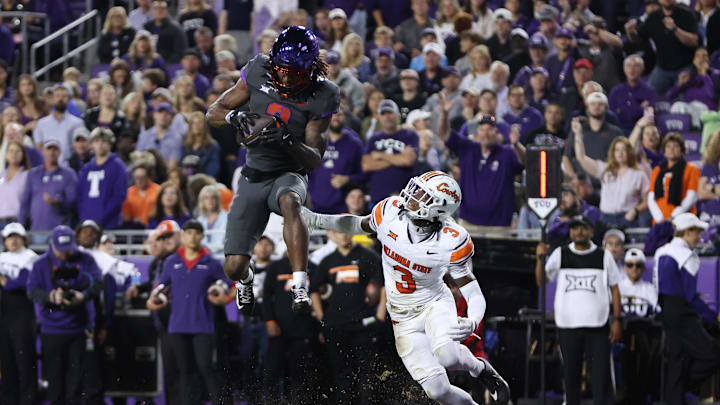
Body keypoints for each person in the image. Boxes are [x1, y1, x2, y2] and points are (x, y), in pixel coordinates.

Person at [301, 171, 511, 404]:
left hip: (434, 303)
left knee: (448, 356)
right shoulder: (390, 212)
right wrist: (316, 219)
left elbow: (472, 290)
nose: (412, 195)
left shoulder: (452, 239)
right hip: (401, 316)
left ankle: (479, 368)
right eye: (416, 188)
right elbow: (357, 224)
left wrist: (472, 321)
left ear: (439, 207)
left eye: (423, 194)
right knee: (438, 391)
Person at [206, 26, 339, 315]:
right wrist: (234, 116)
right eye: (282, 69)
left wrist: (289, 140)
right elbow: (213, 111)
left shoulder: (323, 94)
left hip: (289, 172)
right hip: (253, 174)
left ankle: (300, 285)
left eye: (296, 72)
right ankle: (247, 278)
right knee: (233, 267)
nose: (287, 76)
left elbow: (314, 160)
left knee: (290, 200)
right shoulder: (257, 69)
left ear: (311, 68)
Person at [536, 215, 622, 405]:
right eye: (574, 228)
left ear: (591, 231)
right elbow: (542, 280)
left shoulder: (603, 255)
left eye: (583, 228)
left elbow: (615, 289)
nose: (578, 231)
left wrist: (617, 320)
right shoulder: (561, 253)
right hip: (568, 325)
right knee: (570, 375)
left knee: (601, 376)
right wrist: (540, 259)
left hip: (598, 326)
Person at [147, 220, 231, 405]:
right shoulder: (172, 261)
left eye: (196, 233)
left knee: (207, 368)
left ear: (202, 236)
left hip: (202, 325)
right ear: (183, 236)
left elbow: (230, 285)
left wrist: (226, 298)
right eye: (189, 233)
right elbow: (161, 286)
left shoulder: (211, 262)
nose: (192, 237)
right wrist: (153, 299)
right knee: (184, 371)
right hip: (178, 325)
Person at [27, 225, 103, 405]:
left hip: (78, 328)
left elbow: (98, 283)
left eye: (68, 249)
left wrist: (82, 296)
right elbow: (32, 291)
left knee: (76, 380)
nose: (65, 254)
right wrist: (50, 297)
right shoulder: (40, 264)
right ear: (52, 244)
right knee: (55, 379)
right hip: (51, 329)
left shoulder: (86, 259)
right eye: (61, 250)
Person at [310, 229, 386, 404]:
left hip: (364, 325)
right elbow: (313, 290)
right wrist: (323, 320)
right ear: (331, 235)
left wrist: (380, 315)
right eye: (338, 231)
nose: (343, 234)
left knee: (367, 373)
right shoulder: (328, 261)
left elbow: (383, 285)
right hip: (336, 325)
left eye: (346, 230)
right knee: (340, 373)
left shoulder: (369, 256)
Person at [654, 213, 720, 404]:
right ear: (688, 231)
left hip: (666, 312)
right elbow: (691, 296)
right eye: (697, 233)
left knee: (675, 361)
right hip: (683, 314)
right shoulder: (688, 256)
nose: (699, 238)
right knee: (711, 356)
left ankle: (674, 397)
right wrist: (712, 317)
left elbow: (657, 287)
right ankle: (684, 388)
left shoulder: (661, 251)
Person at [438, 94, 525, 228]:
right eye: (482, 129)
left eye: (490, 129)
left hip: (499, 225)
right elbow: (444, 134)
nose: (486, 133)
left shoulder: (507, 152)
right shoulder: (467, 148)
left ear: (497, 133)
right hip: (468, 223)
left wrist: (516, 145)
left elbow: (524, 162)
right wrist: (444, 114)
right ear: (478, 132)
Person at [125, 220, 182, 405]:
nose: (157, 244)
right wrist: (140, 289)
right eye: (156, 240)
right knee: (170, 372)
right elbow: (153, 283)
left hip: (179, 324)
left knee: (184, 371)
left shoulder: (178, 260)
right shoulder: (156, 264)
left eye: (163, 239)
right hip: (163, 324)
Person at [574, 132, 650, 227]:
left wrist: (635, 210)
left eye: (624, 150)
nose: (620, 153)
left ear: (629, 152)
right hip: (605, 218)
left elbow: (648, 201)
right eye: (617, 150)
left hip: (627, 218)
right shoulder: (605, 170)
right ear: (613, 153)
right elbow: (581, 158)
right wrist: (578, 134)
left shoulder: (639, 174)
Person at [625, 0, 699, 96]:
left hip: (684, 67)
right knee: (650, 96)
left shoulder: (687, 14)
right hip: (662, 68)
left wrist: (675, 29)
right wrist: (630, 32)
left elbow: (694, 41)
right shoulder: (653, 17)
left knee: (683, 100)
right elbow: (638, 39)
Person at [0, 222, 38, 405]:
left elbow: (22, 283)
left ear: (24, 239)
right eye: (9, 237)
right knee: (6, 362)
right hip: (3, 314)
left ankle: (28, 401)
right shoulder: (1, 257)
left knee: (24, 361)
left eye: (17, 237)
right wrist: (6, 283)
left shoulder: (31, 257)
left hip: (22, 313)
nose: (13, 241)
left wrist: (6, 282)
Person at [362, 99, 419, 205]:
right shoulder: (373, 139)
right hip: (377, 198)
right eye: (383, 114)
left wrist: (380, 155)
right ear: (379, 117)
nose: (387, 117)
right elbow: (366, 165)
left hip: (404, 198)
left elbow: (408, 160)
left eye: (390, 113)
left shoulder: (410, 135)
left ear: (397, 115)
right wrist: (398, 158)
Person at [18, 140, 78, 238]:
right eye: (49, 149)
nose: (52, 152)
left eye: (55, 149)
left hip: (60, 231)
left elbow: (73, 202)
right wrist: (21, 228)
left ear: (60, 152)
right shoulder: (33, 174)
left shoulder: (68, 174)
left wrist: (59, 203)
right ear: (43, 152)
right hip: (36, 231)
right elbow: (25, 203)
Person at [308, 110, 363, 214]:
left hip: (342, 208)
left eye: (339, 114)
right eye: (332, 114)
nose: (336, 117)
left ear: (345, 117)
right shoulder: (315, 140)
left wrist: (347, 179)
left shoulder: (354, 143)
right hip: (313, 207)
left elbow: (362, 174)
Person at [563, 92, 623, 179]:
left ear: (606, 108)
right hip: (582, 183)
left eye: (600, 104)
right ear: (587, 108)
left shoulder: (615, 132)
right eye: (593, 104)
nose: (596, 107)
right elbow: (566, 157)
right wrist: (573, 178)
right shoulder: (578, 130)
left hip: (607, 180)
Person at [77, 128, 128, 230]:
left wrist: (102, 217)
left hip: (110, 224)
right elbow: (80, 196)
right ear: (91, 144)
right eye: (96, 141)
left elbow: (119, 196)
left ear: (110, 143)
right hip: (87, 225)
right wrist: (84, 218)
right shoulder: (86, 169)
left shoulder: (118, 166)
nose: (100, 144)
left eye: (104, 141)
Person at [648, 132, 701, 223]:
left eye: (675, 146)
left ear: (682, 150)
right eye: (668, 146)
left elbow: (691, 197)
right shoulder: (657, 170)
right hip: (659, 220)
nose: (671, 149)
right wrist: (660, 219)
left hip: (684, 220)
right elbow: (651, 198)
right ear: (664, 150)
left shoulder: (692, 169)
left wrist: (673, 217)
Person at [33, 84, 84, 165]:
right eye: (57, 96)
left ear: (69, 99)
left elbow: (80, 147)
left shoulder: (77, 123)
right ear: (52, 99)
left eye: (64, 96)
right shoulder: (41, 123)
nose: (60, 99)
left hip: (69, 166)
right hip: (46, 167)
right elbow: (38, 147)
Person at [608, 54, 657, 132]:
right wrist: (640, 108)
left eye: (636, 66)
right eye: (629, 66)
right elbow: (611, 114)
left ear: (642, 69)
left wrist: (621, 110)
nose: (632, 69)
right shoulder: (616, 90)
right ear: (624, 69)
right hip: (619, 130)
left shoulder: (650, 91)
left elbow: (648, 117)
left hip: (641, 130)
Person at [137, 103, 183, 168]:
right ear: (154, 115)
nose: (163, 116)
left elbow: (172, 165)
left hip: (165, 175)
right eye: (160, 112)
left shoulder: (177, 138)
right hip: (146, 173)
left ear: (172, 118)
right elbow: (138, 158)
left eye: (167, 113)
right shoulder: (144, 135)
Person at [325, 50, 365, 117]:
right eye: (329, 63)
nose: (332, 66)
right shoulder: (323, 81)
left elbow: (359, 105)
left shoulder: (352, 81)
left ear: (340, 63)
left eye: (335, 63)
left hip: (348, 119)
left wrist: (351, 119)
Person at [182, 111, 220, 177]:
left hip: (205, 181)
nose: (196, 126)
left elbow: (213, 171)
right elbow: (181, 165)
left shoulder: (213, 146)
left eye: (199, 123)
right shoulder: (186, 145)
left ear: (205, 126)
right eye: (193, 123)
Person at [0, 141, 29, 227]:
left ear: (23, 154)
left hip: (17, 221)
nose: (14, 154)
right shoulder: (1, 175)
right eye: (11, 151)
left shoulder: (27, 175)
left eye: (17, 151)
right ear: (6, 154)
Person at [196, 184, 227, 252]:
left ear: (217, 200)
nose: (210, 200)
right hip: (203, 255)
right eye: (206, 198)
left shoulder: (226, 217)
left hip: (221, 254)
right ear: (202, 201)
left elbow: (221, 241)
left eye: (213, 197)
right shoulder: (199, 220)